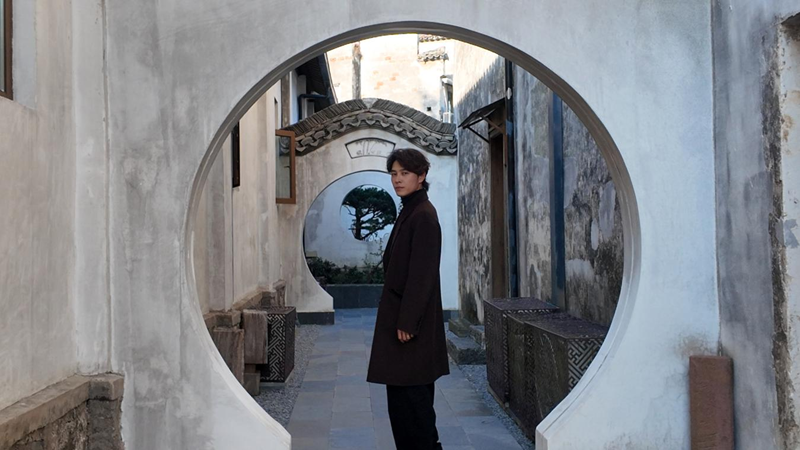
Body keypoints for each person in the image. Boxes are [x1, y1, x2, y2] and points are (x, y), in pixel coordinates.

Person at [367, 148, 449, 450]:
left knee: (414, 410)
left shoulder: (423, 215)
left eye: (405, 173)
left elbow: (422, 274)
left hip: (410, 329)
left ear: (421, 176)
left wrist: (408, 322)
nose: (397, 179)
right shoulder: (410, 210)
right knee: (403, 407)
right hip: (402, 323)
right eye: (394, 173)